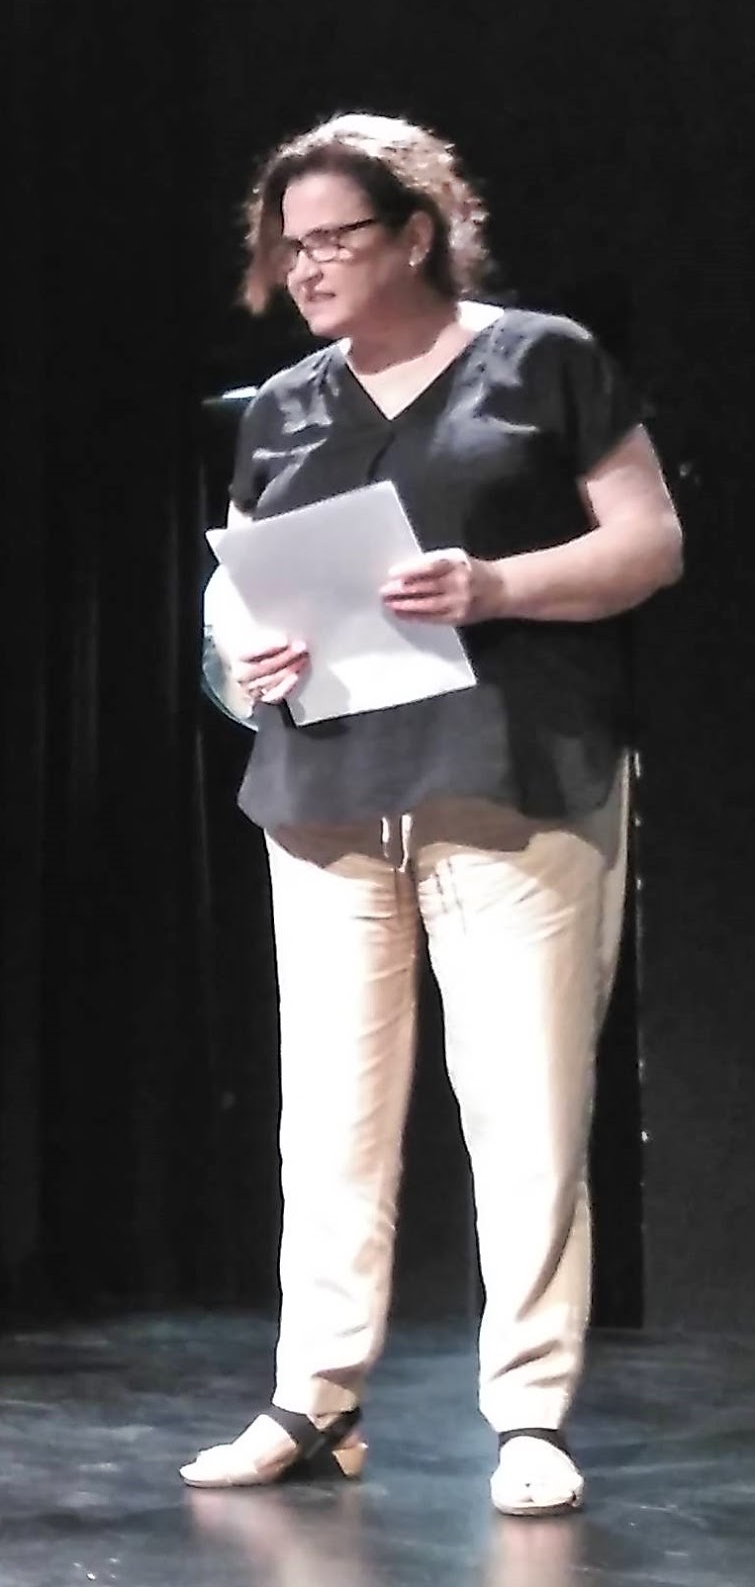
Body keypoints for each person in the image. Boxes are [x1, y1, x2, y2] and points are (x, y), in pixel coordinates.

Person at [180, 112, 682, 1515]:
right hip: (328, 793)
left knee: (526, 1112)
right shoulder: (284, 406)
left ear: (417, 233)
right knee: (330, 1123)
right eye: (290, 245)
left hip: (509, 776)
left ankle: (528, 1414)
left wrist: (496, 585)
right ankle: (314, 1401)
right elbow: (239, 597)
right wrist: (247, 658)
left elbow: (650, 542)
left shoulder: (542, 359)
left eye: (335, 238)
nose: (307, 266)